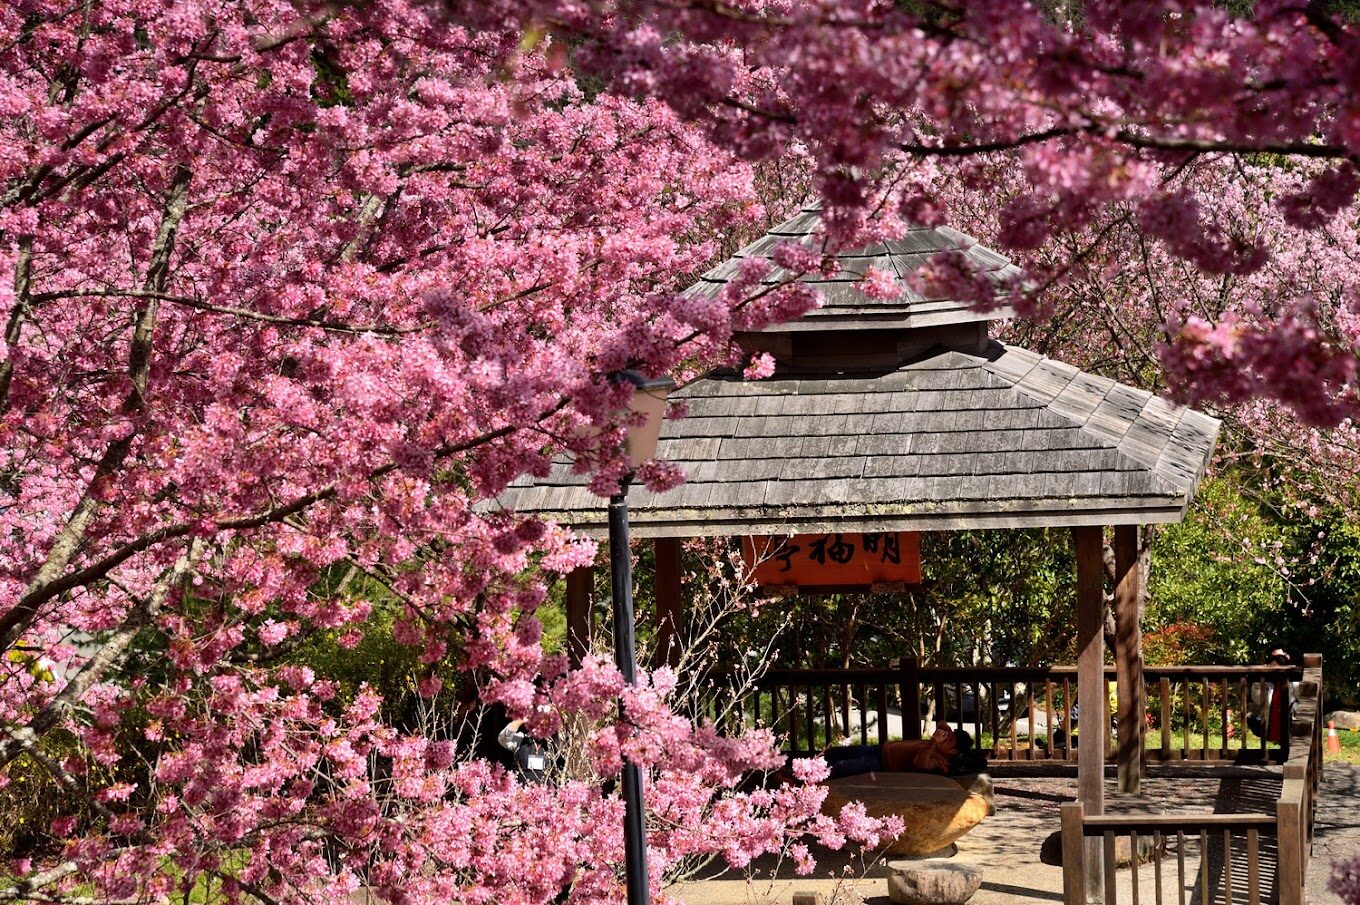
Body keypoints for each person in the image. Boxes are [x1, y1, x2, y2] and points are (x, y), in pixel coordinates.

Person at [1247, 647, 1298, 744]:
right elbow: (1257, 699)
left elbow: (1303, 698)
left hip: (1290, 722)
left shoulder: (1293, 682)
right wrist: (1261, 677)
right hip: (1274, 721)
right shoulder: (1269, 684)